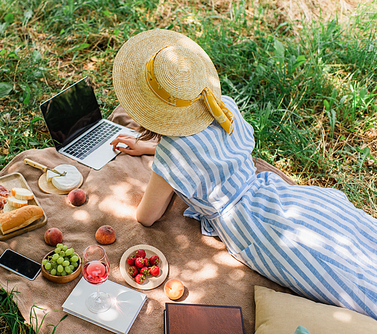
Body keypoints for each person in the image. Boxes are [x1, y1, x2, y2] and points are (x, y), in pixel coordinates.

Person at [109, 29, 377, 319]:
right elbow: (203, 148)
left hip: (252, 227)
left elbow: (146, 217)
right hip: (277, 194)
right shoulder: (224, 107)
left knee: (343, 279)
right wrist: (151, 148)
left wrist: (161, 159)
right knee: (354, 236)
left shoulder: (173, 154)